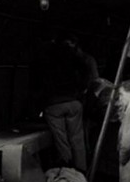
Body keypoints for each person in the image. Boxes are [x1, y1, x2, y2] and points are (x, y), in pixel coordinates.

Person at [38, 34, 96, 173]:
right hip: (74, 102)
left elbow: (39, 83)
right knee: (77, 139)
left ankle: (67, 170)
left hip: (54, 105)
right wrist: (80, 90)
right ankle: (81, 171)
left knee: (61, 141)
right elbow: (86, 72)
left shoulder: (46, 58)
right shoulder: (75, 58)